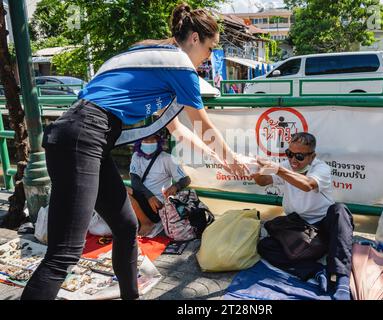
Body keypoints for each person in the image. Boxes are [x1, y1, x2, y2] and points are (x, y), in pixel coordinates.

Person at [21, 3, 247, 300]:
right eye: (209, 48)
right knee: (64, 252)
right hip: (83, 137)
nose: (208, 58)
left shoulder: (157, 58)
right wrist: (235, 160)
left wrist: (221, 159)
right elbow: (203, 126)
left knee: (127, 226)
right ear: (194, 38)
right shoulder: (179, 64)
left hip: (84, 137)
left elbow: (179, 130)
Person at [251, 132, 354, 300]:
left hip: (323, 228)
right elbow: (263, 181)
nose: (293, 160)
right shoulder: (286, 166)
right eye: (290, 153)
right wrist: (253, 170)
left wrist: (279, 169)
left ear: (312, 156)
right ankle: (314, 269)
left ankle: (342, 279)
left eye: (299, 156)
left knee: (340, 211)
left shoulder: (321, 169)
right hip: (299, 229)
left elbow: (307, 185)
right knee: (265, 246)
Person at [128, 134, 191, 237]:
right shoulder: (136, 156)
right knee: (121, 190)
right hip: (145, 197)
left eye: (152, 140)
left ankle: (147, 224)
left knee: (126, 196)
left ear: (158, 142)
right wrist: (149, 196)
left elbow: (186, 179)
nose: (149, 143)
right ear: (140, 142)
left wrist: (175, 187)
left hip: (158, 204)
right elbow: (135, 181)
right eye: (145, 140)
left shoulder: (168, 159)